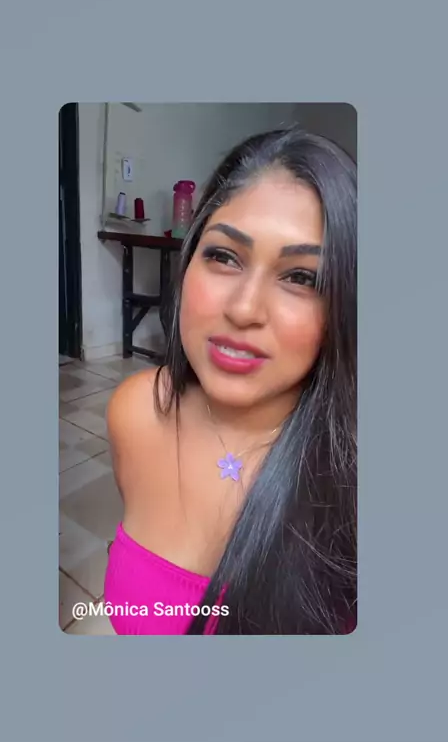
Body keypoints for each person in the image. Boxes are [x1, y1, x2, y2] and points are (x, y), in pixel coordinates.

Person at [104, 126, 357, 635]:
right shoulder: (136, 411)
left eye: (302, 277)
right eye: (223, 256)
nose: (243, 309)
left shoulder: (352, 478)